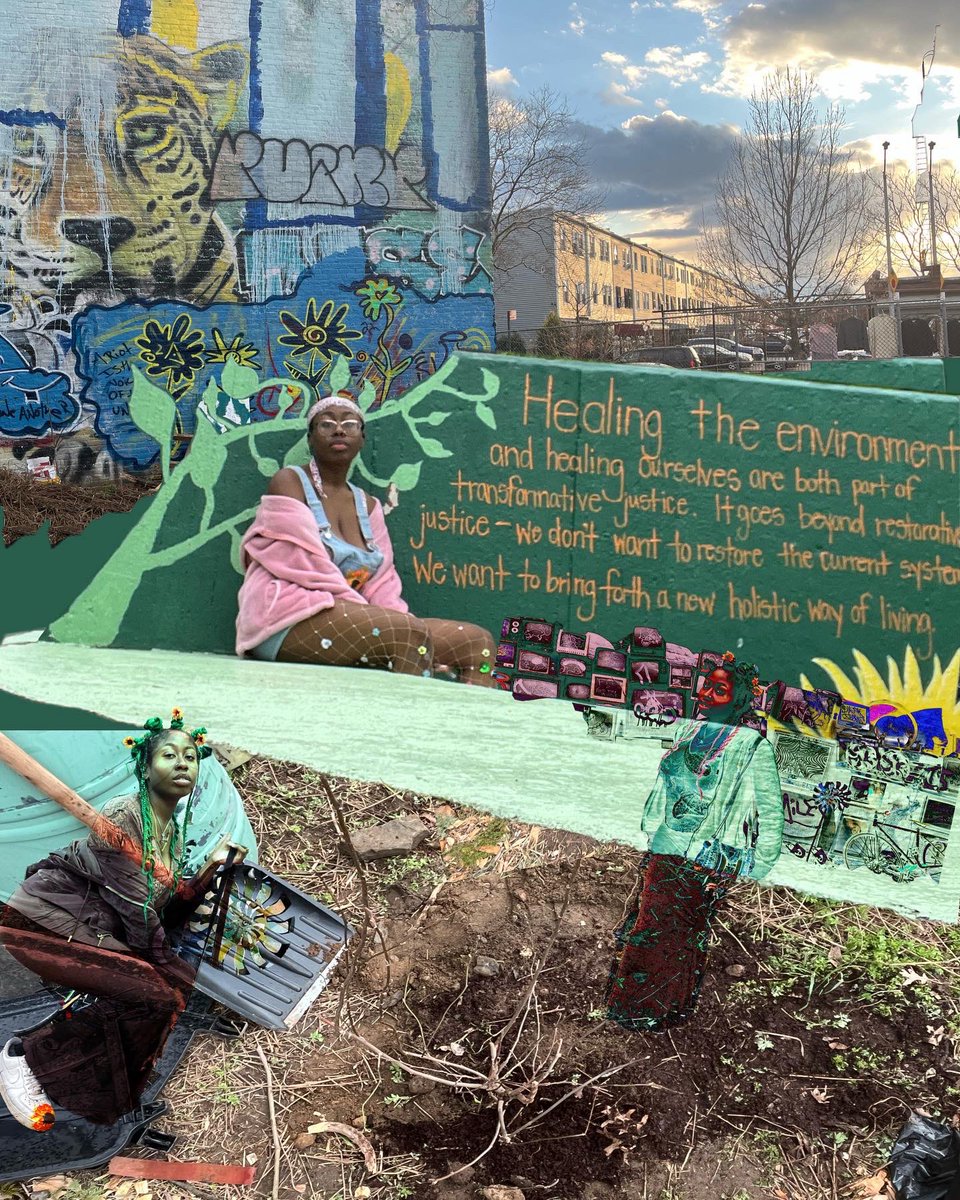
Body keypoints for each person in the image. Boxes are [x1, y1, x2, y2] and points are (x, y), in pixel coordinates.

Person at [0, 713, 225, 1131]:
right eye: (168, 756)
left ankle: (107, 1076)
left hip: (88, 924)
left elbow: (155, 900)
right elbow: (135, 906)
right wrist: (172, 969)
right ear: (144, 767)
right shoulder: (125, 816)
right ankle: (24, 1057)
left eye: (190, 757)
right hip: (39, 925)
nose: (182, 764)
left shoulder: (169, 829)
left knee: (158, 988)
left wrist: (202, 881)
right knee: (154, 994)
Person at [236, 391, 497, 684]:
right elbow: (305, 565)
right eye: (326, 423)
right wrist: (396, 629)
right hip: (285, 619)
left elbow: (382, 584)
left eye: (349, 423)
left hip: (356, 622)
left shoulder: (369, 506)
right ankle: (411, 726)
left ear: (362, 438)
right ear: (310, 438)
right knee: (407, 635)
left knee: (477, 644)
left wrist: (402, 627)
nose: (338, 429)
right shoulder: (289, 481)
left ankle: (464, 725)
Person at [606, 652, 784, 1032]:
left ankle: (659, 1010)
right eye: (706, 686)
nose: (705, 694)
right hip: (665, 847)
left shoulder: (753, 747)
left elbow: (771, 813)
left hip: (702, 859)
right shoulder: (692, 730)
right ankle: (632, 1006)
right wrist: (653, 829)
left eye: (719, 690)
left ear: (739, 700)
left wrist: (758, 864)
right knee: (650, 927)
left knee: (677, 935)